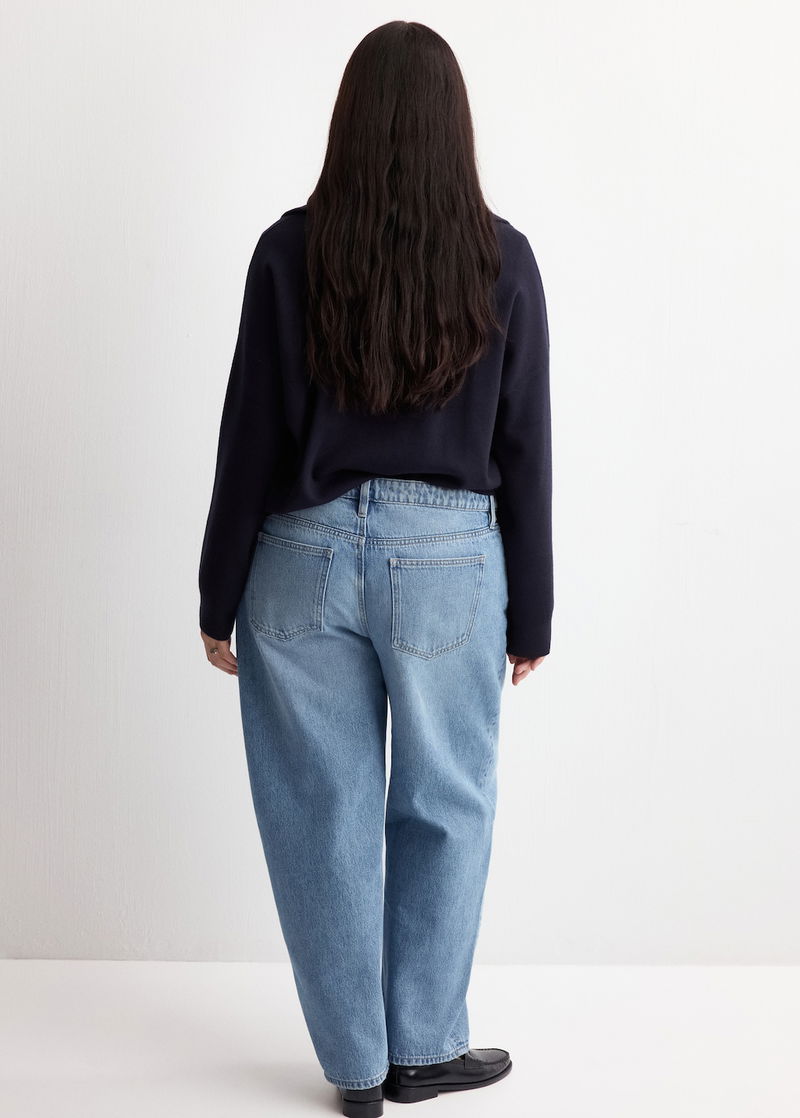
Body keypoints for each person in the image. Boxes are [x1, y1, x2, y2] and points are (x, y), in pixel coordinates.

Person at [198, 20, 552, 1118]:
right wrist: (532, 613)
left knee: (320, 812)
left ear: (348, 121)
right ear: (454, 128)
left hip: (298, 555)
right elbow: (524, 445)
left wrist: (216, 593)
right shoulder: (502, 260)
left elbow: (249, 432)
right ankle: (424, 1048)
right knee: (446, 802)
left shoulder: (286, 252)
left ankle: (355, 1067)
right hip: (449, 561)